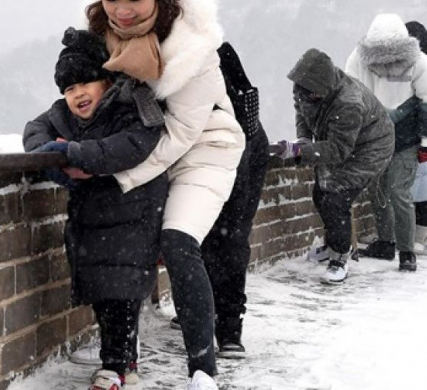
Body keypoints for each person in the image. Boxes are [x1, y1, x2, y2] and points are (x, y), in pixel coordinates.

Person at [85, 0, 246, 388]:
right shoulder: (99, 34)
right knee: (124, 239)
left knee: (177, 241)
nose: (122, 9)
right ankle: (121, 358)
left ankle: (202, 370)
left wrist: (117, 173)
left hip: (205, 148)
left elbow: (180, 134)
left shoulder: (194, 46)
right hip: (143, 147)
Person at [23, 28, 168, 390]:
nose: (77, 94)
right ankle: (124, 361)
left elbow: (132, 145)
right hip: (92, 221)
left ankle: (113, 367)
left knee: (122, 294)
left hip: (133, 215)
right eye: (69, 89)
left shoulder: (130, 103)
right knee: (106, 298)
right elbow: (34, 131)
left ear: (106, 79)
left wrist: (75, 154)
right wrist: (54, 155)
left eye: (86, 83)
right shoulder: (63, 117)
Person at [169, 42, 270, 360]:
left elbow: (243, 123)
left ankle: (229, 331)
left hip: (242, 151)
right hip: (208, 150)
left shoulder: (213, 58)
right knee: (200, 238)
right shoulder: (170, 66)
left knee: (230, 238)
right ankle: (203, 310)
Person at [276, 48, 395, 283]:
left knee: (336, 199)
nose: (302, 94)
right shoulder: (305, 86)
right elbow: (302, 113)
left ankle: (340, 258)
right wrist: (303, 140)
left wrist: (299, 152)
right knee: (320, 193)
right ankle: (333, 245)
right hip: (345, 141)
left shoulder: (348, 102)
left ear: (323, 88)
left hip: (371, 148)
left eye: (310, 93)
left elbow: (339, 150)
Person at [344, 14, 427, 271]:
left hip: (404, 139)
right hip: (372, 139)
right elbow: (351, 97)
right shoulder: (358, 59)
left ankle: (406, 251)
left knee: (399, 192)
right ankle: (386, 242)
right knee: (378, 192)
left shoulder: (420, 63)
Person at [405, 21, 427, 249]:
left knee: (413, 184)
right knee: (424, 184)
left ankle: (413, 234)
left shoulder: (419, 67)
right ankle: (418, 232)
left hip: (419, 131)